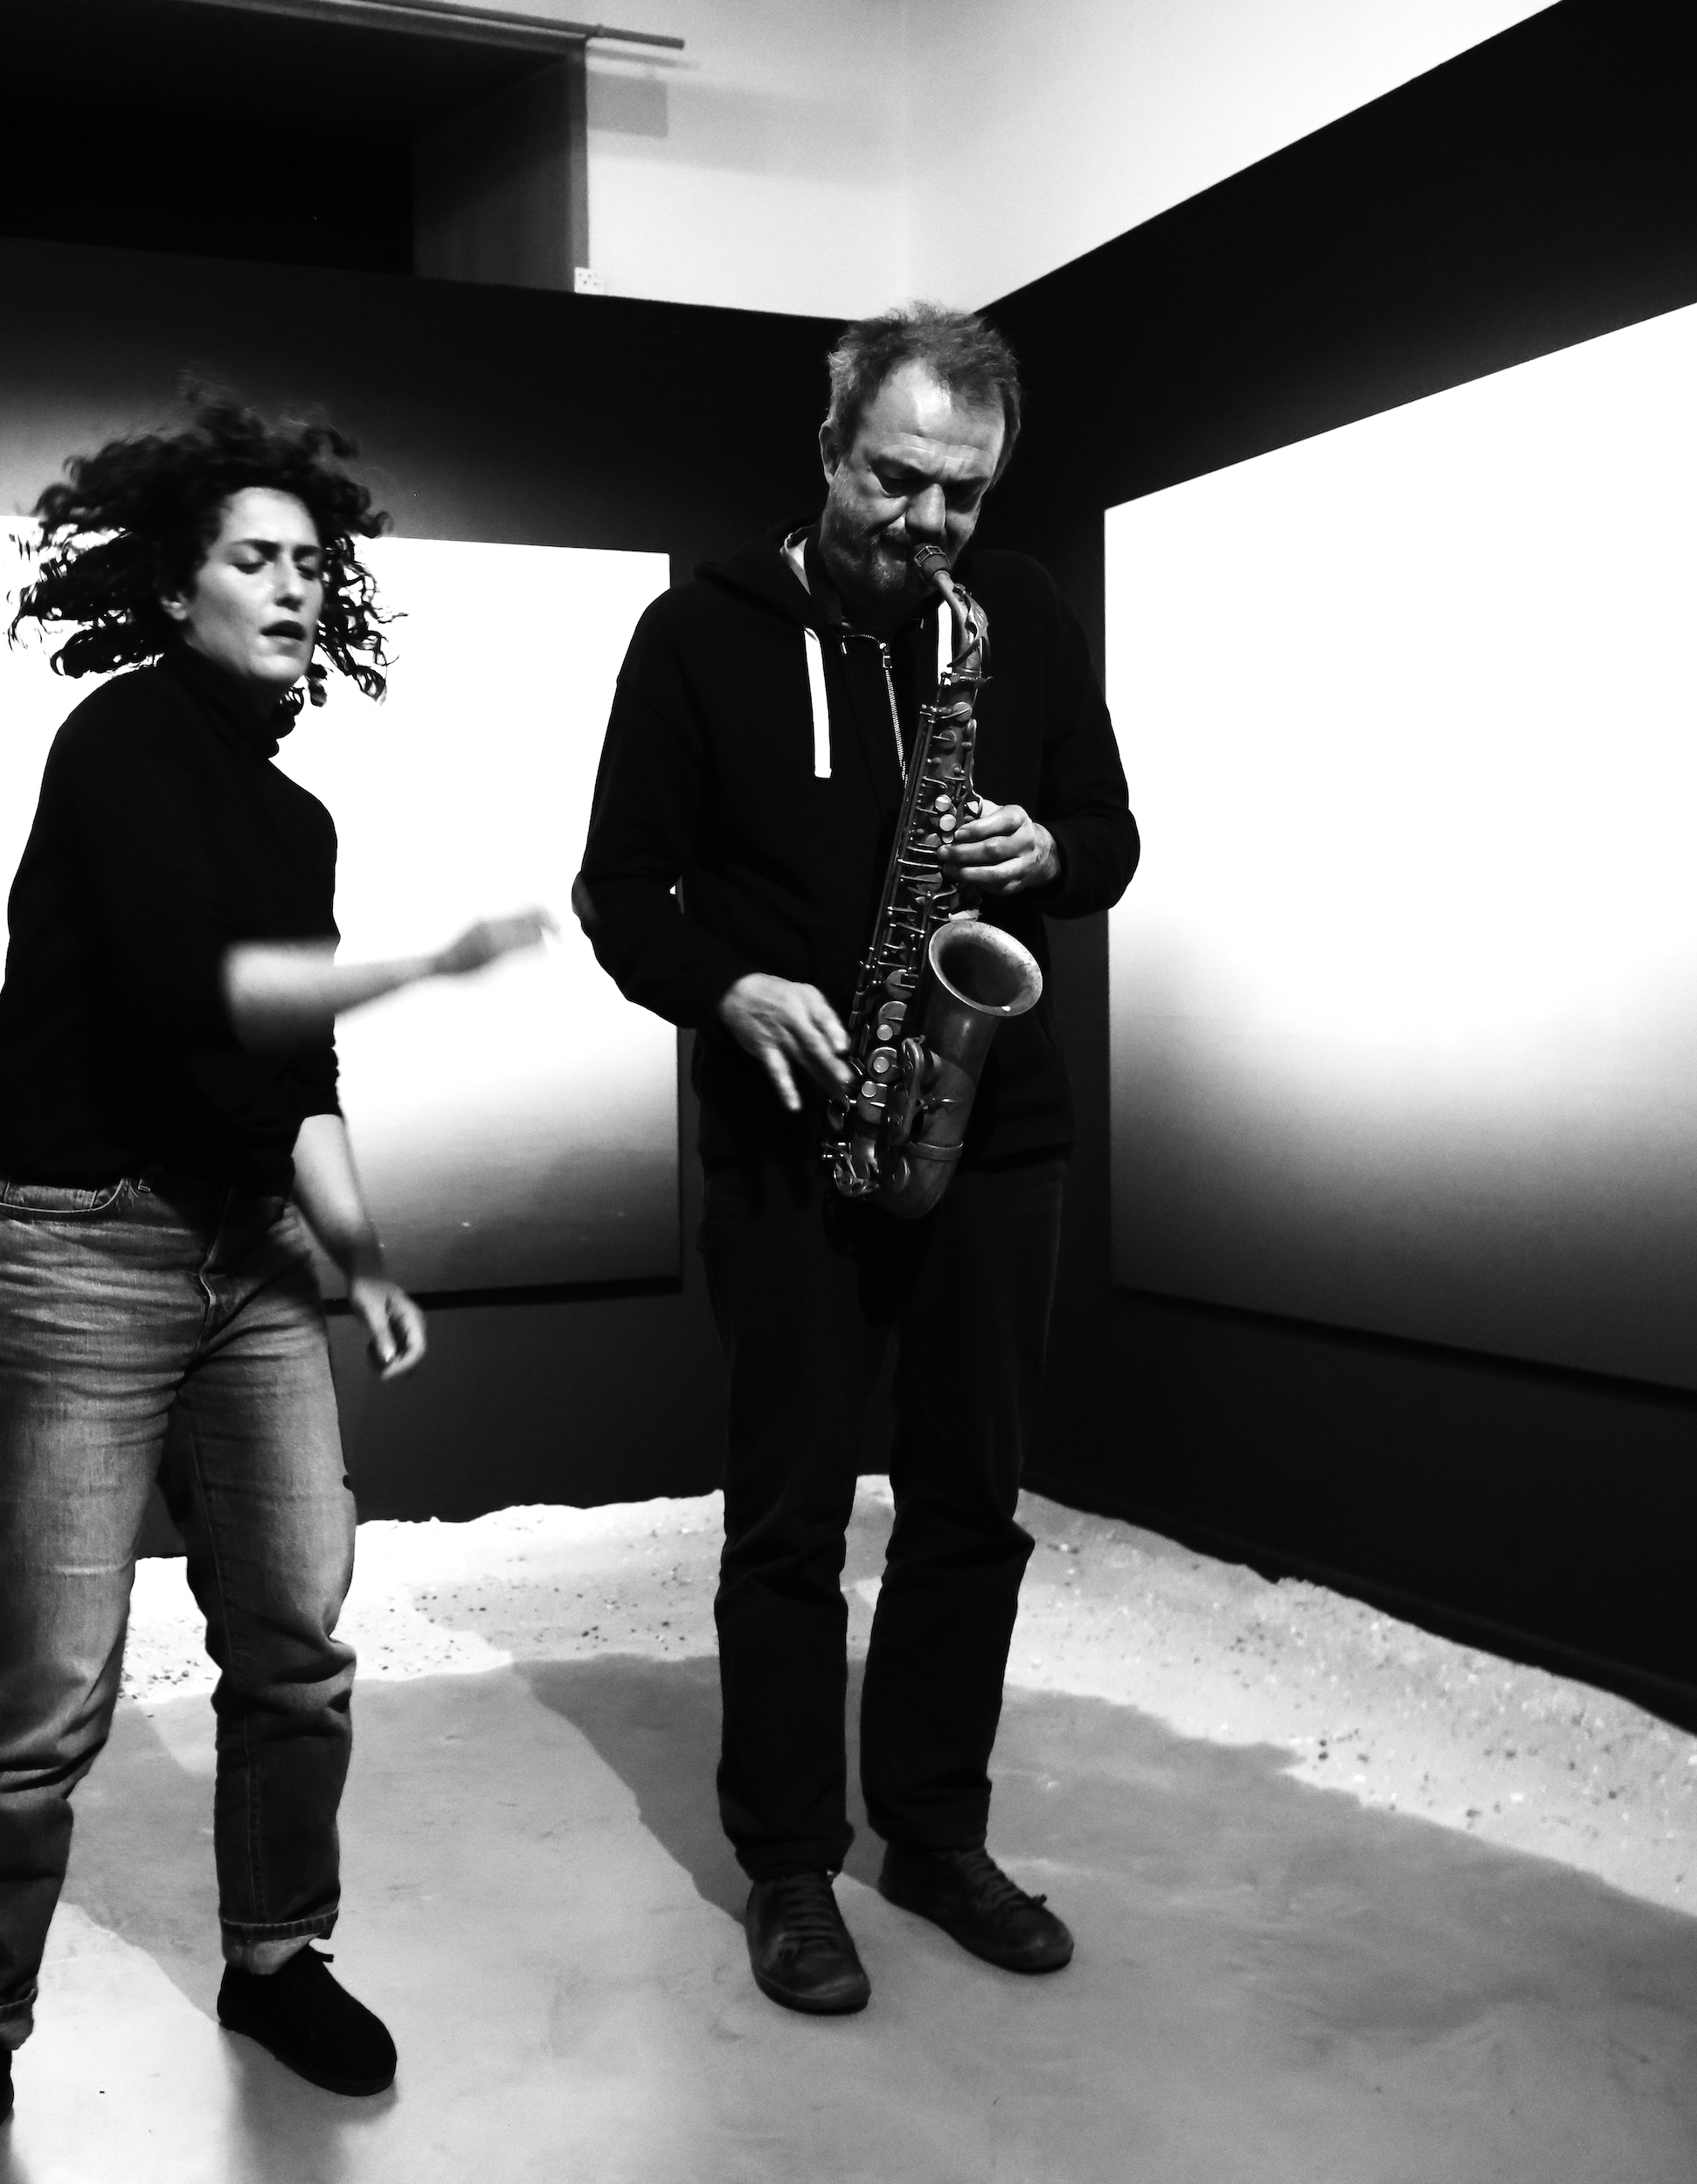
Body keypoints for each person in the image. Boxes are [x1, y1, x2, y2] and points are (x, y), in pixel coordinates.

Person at [0, 392, 547, 2178]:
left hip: (246, 1258)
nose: (295, 585)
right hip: (71, 1246)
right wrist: (442, 961)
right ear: (176, 587)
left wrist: (361, 1253)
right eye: (256, 558)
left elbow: (292, 1075)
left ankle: (274, 1959)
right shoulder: (116, 740)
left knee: (297, 1642)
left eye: (314, 562)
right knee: (44, 1689)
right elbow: (202, 1002)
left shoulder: (295, 820)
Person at [574, 305, 1139, 2016]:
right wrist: (725, 987)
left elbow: (1109, 833)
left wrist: (1050, 850)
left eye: (962, 492)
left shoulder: (1011, 613)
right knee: (790, 1520)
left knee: (970, 1505)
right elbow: (621, 891)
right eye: (896, 480)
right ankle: (788, 1863)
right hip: (793, 1134)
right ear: (828, 450)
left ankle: (934, 1831)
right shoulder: (697, 635)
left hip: (993, 1129)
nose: (927, 522)